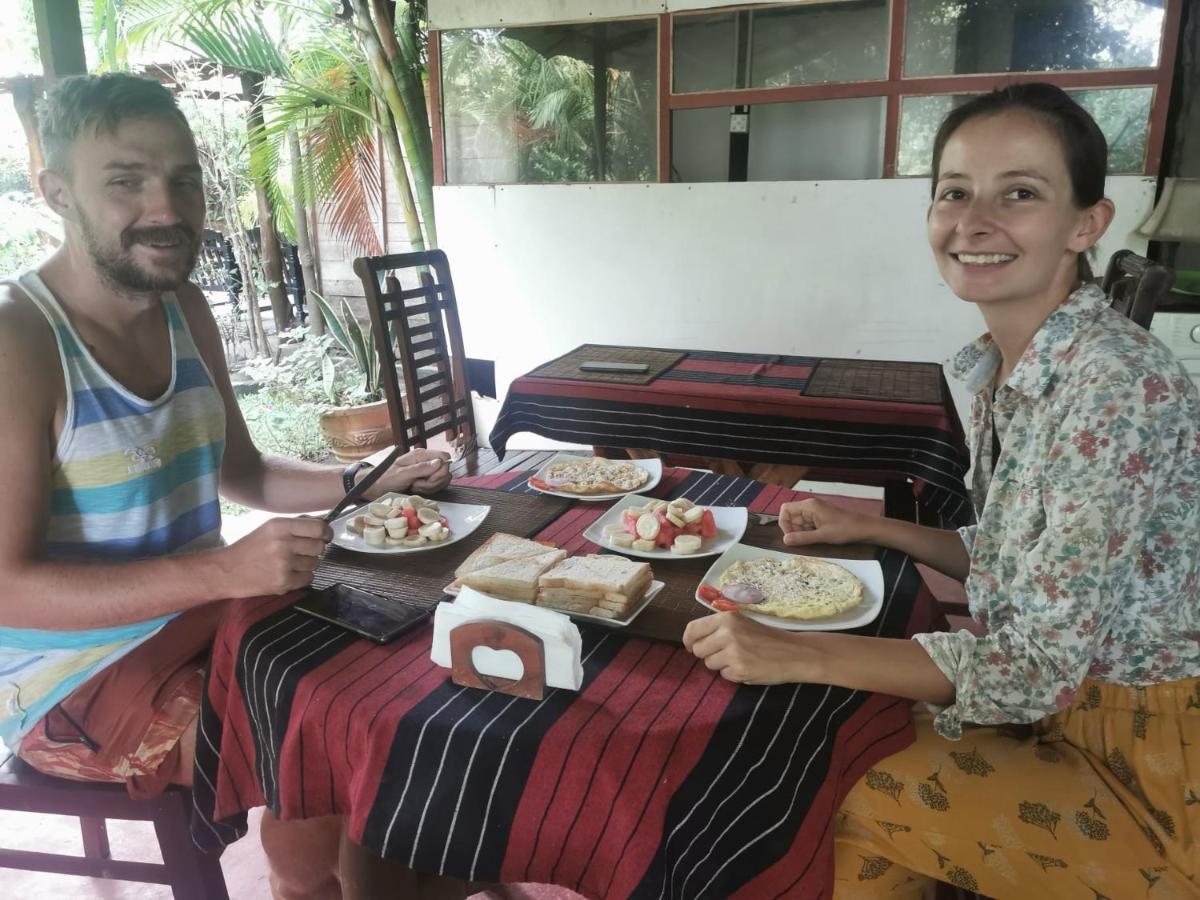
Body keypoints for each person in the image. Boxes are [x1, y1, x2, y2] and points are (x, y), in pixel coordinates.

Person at [684, 83, 1199, 897]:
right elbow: (1012, 566)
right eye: (954, 192)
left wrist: (798, 651)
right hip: (1059, 710)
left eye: (1019, 194)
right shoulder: (1018, 365)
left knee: (826, 787)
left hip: (1145, 770)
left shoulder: (1114, 386)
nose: (974, 221)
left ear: (1085, 225)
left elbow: (1034, 668)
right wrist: (875, 526)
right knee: (833, 738)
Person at [0, 73, 452, 899]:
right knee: (322, 726)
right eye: (125, 181)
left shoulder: (185, 311)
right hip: (66, 680)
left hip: (205, 618)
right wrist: (220, 572)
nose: (166, 208)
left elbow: (242, 473)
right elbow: (5, 590)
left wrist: (365, 478)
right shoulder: (19, 342)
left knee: (398, 669)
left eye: (182, 179)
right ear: (56, 193)